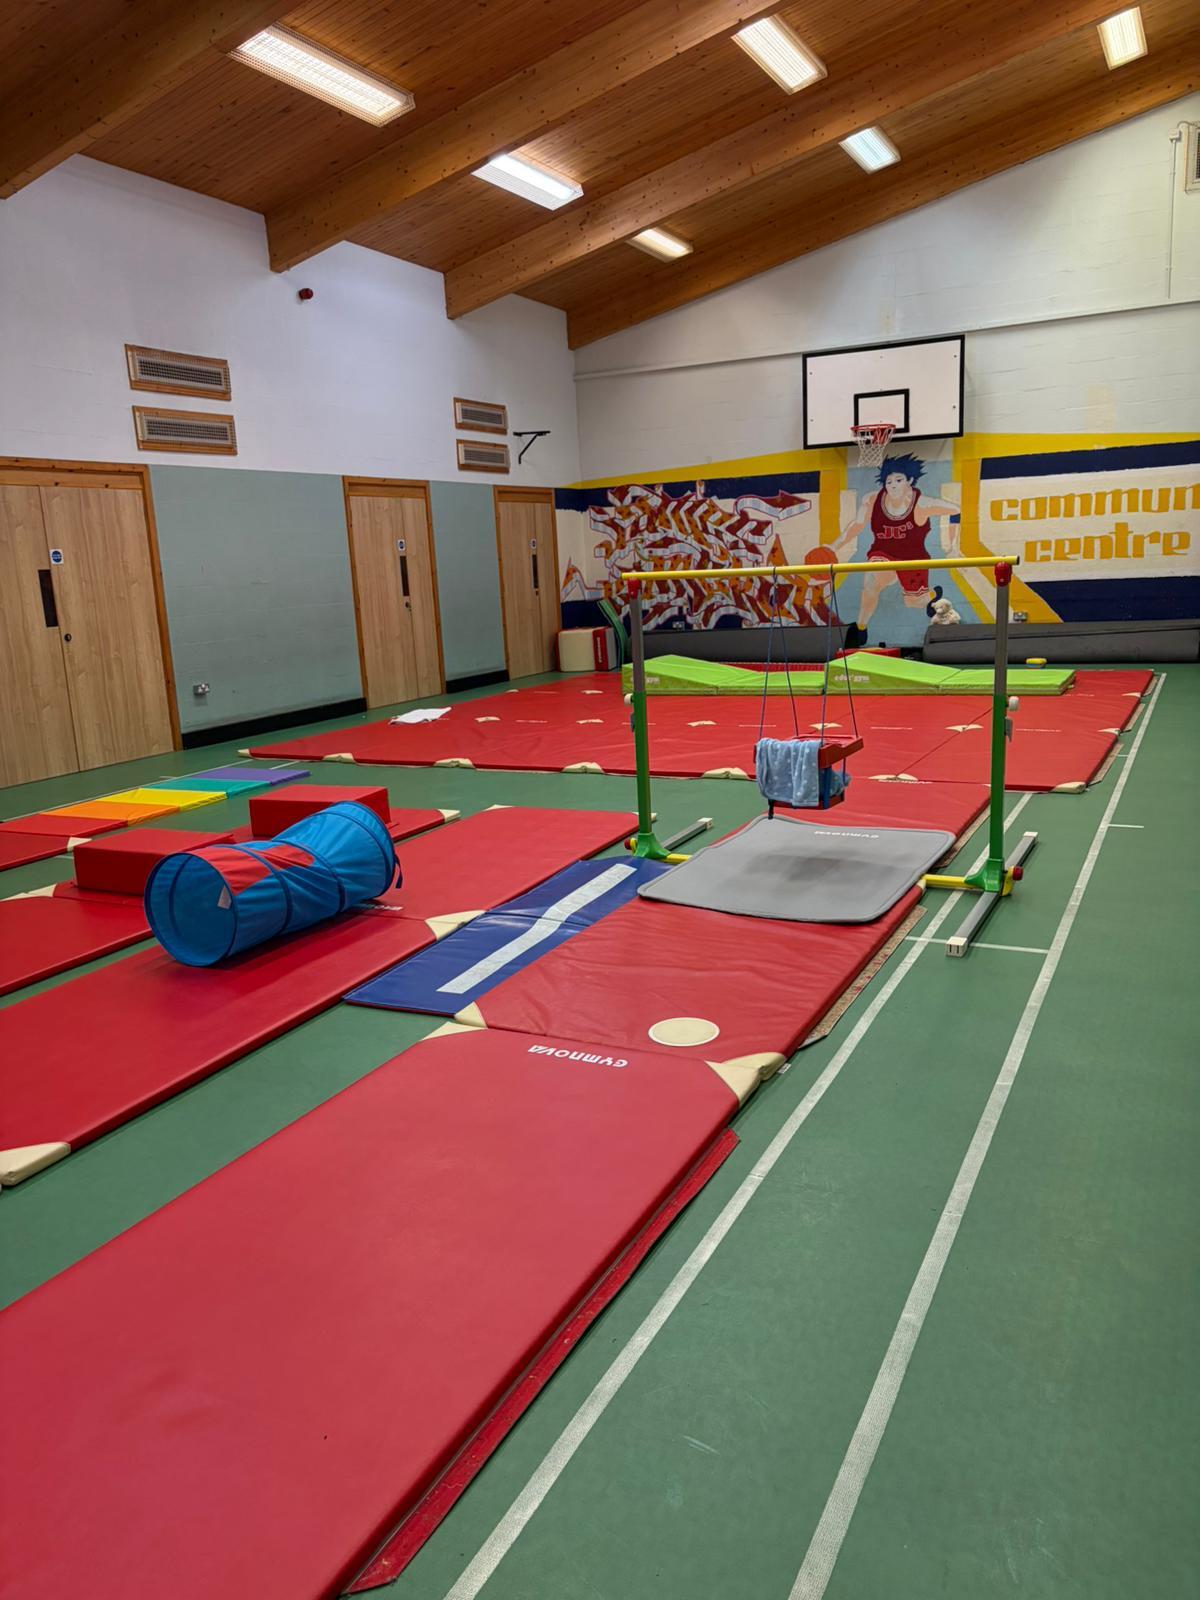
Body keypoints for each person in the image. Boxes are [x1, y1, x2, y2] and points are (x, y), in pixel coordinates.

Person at [835, 454, 960, 646]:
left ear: (909, 481)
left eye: (898, 480)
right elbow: (857, 524)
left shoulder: (922, 503)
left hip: (913, 558)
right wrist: (834, 546)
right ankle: (861, 628)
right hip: (882, 554)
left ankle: (933, 595)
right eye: (888, 481)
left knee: (914, 603)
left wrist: (952, 546)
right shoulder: (872, 500)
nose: (892, 485)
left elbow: (955, 510)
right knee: (871, 581)